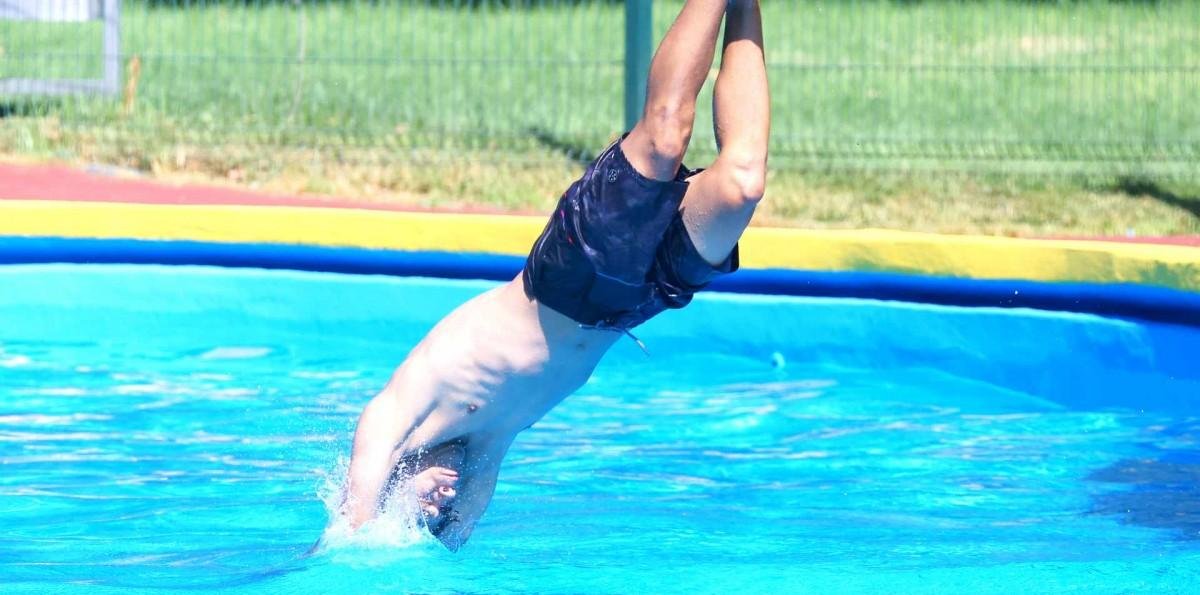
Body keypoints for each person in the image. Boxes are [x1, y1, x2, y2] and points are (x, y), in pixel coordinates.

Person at [339, 0, 769, 550]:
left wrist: (355, 525)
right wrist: (433, 528)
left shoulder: (410, 406)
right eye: (435, 514)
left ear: (391, 484)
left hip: (571, 272)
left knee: (665, 136)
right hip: (632, 306)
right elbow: (444, 548)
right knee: (742, 184)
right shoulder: (487, 446)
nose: (438, 504)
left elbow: (363, 479)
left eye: (419, 508)